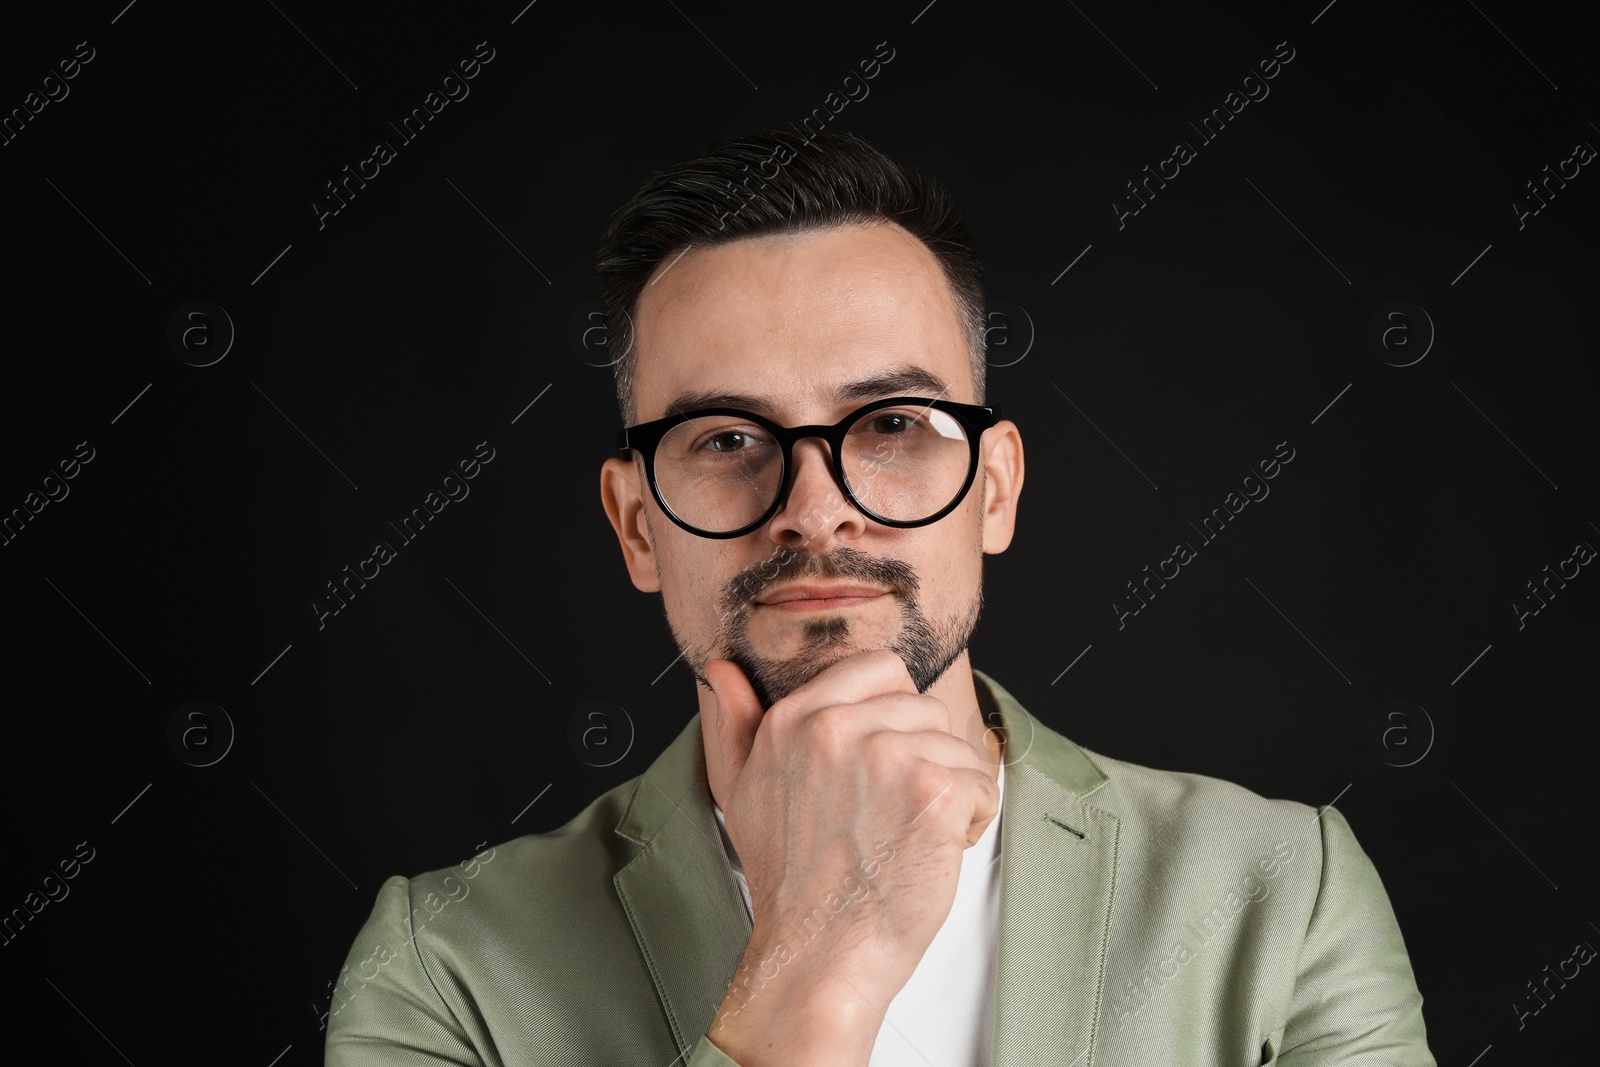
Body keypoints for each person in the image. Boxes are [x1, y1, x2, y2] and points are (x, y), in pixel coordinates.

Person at [324, 129, 1435, 1066]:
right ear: (635, 523)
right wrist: (815, 963)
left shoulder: (1281, 893)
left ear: (992, 492)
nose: (815, 509)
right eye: (725, 438)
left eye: (892, 425)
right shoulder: (445, 966)